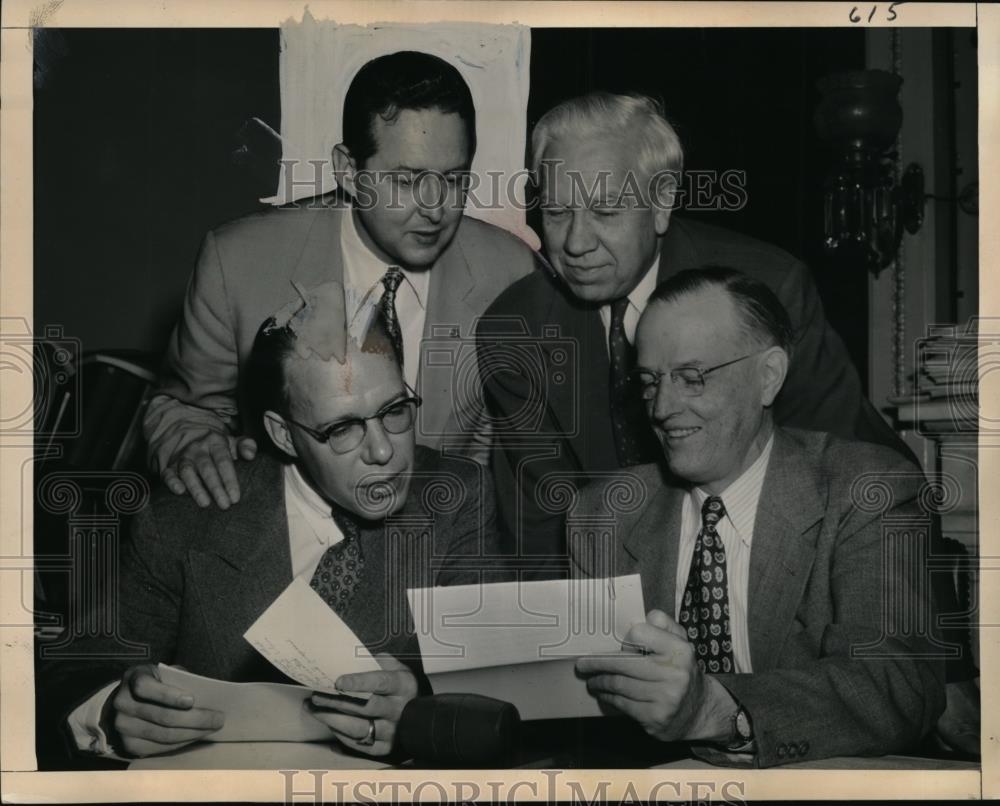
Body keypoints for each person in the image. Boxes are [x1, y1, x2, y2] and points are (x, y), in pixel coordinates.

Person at [40, 282, 501, 761]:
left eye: (394, 411)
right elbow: (72, 674)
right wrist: (112, 712)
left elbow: (494, 687)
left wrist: (420, 713)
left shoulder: (459, 497)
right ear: (282, 435)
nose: (383, 450)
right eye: (342, 428)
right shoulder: (183, 518)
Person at [476, 91, 913, 561]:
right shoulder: (513, 328)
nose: (576, 243)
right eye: (558, 212)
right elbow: (540, 529)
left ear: (662, 202)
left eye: (605, 211)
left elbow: (855, 478)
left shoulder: (770, 287)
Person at [569, 267, 945, 767]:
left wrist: (713, 710)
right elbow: (584, 713)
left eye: (691, 377)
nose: (662, 407)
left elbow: (895, 684)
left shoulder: (865, 490)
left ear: (768, 376)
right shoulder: (602, 514)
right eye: (649, 381)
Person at [145, 50, 535, 510]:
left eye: (453, 179)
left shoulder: (513, 272)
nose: (435, 208)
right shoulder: (237, 261)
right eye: (406, 181)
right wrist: (193, 445)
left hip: (439, 544)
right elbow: (184, 408)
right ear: (348, 171)